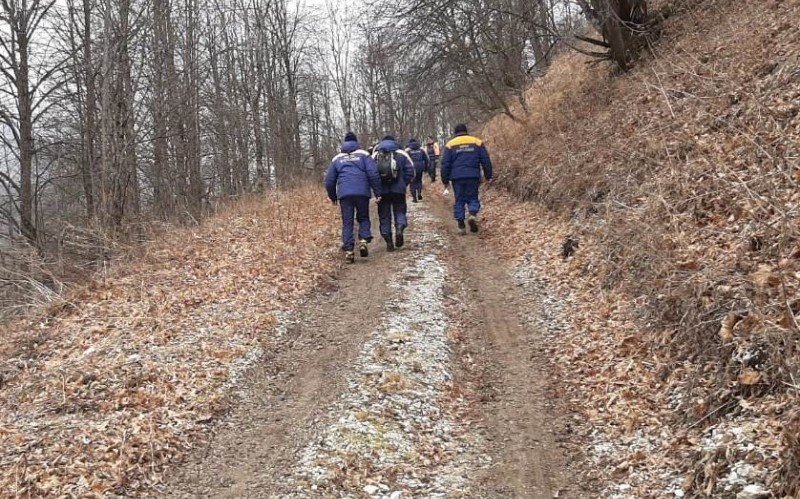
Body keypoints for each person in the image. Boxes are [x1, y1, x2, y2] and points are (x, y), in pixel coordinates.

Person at [325, 131, 383, 263]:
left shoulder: (337, 159)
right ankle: (363, 240)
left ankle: (349, 251)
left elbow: (329, 181)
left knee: (347, 222)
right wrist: (378, 192)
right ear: (356, 142)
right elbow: (373, 174)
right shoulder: (364, 155)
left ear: (344, 143)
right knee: (363, 217)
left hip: (344, 194)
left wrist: (333, 197)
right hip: (362, 192)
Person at [441, 123, 493, 235]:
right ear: (466, 131)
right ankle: (472, 215)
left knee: (459, 200)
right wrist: (488, 176)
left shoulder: (450, 144)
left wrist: (445, 181)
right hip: (473, 175)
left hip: (457, 177)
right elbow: (485, 160)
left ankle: (461, 225)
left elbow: (445, 164)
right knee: (473, 197)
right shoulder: (476, 142)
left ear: (455, 133)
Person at [372, 135, 415, 251]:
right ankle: (400, 227)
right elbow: (411, 171)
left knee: (384, 215)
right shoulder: (401, 153)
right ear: (394, 142)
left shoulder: (376, 155)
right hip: (398, 190)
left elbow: (372, 174)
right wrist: (403, 183)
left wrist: (376, 189)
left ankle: (388, 240)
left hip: (382, 191)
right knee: (400, 210)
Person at [405, 138, 431, 203]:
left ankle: (414, 198)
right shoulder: (421, 149)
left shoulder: (408, 150)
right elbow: (426, 159)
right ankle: (419, 193)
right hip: (420, 167)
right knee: (419, 180)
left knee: (412, 182)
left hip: (412, 168)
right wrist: (426, 168)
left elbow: (404, 160)